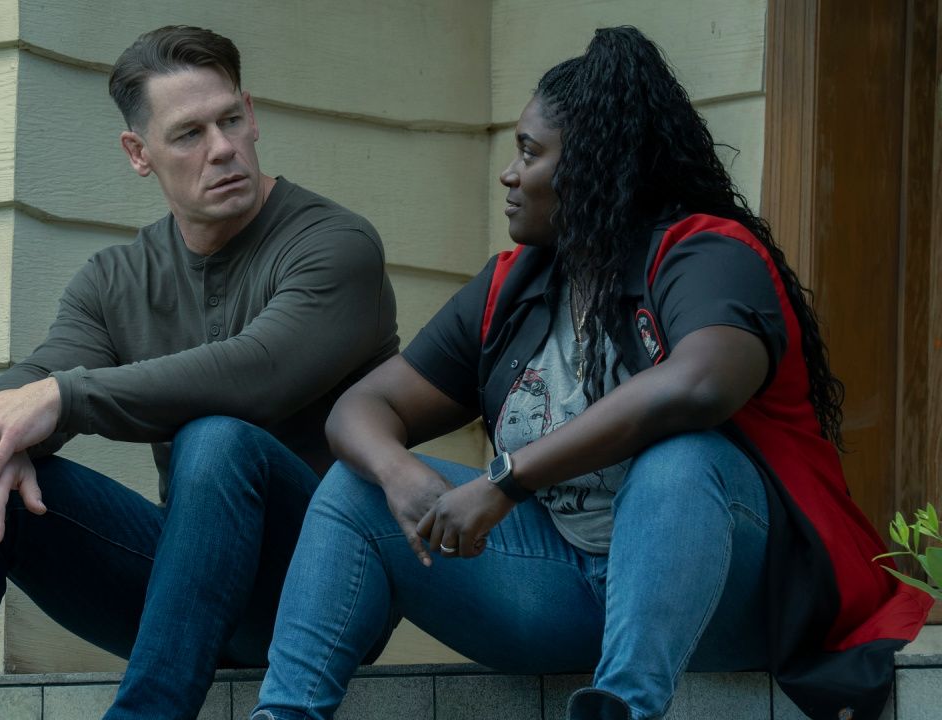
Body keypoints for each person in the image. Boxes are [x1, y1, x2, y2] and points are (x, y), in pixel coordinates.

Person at [250, 26, 931, 720]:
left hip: (738, 594)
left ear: (597, 166)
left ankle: (624, 711)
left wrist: (506, 479)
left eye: (529, 152)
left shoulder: (706, 254)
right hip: (565, 588)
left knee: (681, 456)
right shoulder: (510, 288)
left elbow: (698, 385)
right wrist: (401, 477)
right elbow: (359, 409)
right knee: (355, 483)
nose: (509, 174)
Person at [0, 25, 398, 720]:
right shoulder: (115, 278)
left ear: (252, 114)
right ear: (139, 153)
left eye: (230, 120)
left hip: (326, 589)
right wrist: (13, 434)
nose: (223, 147)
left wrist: (63, 400)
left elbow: (257, 373)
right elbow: (32, 380)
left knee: (219, 435)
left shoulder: (335, 245)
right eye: (188, 134)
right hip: (187, 587)